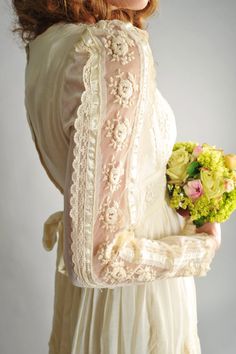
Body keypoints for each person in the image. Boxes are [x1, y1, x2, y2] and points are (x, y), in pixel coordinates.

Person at [12, 0, 221, 353]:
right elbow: (97, 260)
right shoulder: (112, 49)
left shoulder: (47, 47)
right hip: (136, 305)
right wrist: (201, 248)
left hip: (94, 304)